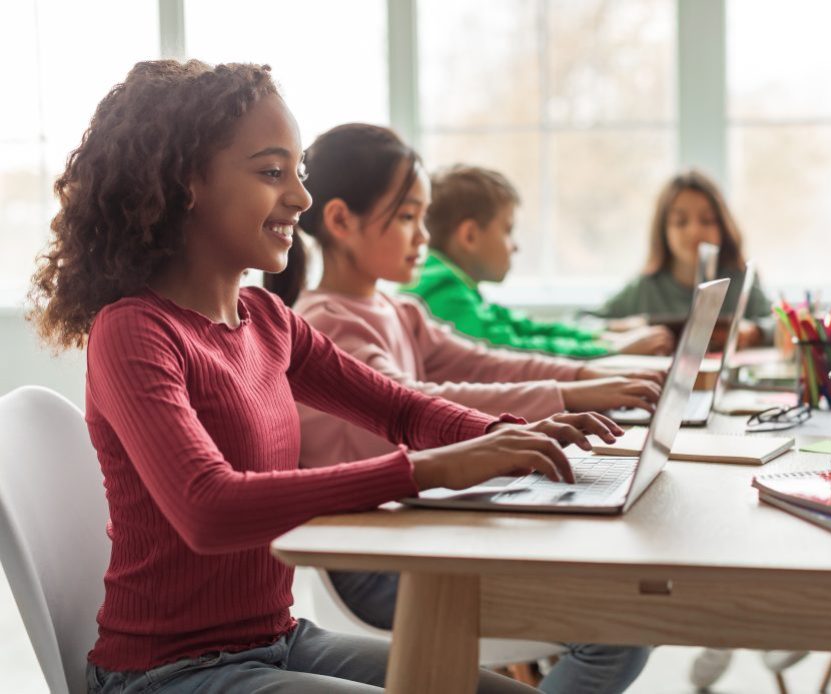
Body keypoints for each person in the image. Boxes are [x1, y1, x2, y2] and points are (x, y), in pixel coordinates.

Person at [30, 58, 618, 694]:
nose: (301, 199)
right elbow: (209, 508)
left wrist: (516, 440)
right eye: (271, 172)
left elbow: (404, 411)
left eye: (299, 173)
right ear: (185, 183)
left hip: (276, 641)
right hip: (163, 674)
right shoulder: (135, 331)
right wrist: (426, 469)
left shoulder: (267, 320)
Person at [262, 122, 655, 694]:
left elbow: (490, 362)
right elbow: (423, 403)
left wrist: (591, 375)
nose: (423, 235)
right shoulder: (326, 322)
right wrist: (567, 396)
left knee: (617, 590)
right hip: (385, 562)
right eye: (406, 217)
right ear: (342, 221)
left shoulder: (399, 310)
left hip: (432, 528)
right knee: (621, 626)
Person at [401, 164, 674, 357]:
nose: (515, 246)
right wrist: (611, 348)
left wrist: (603, 333)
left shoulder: (453, 285)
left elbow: (524, 327)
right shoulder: (441, 293)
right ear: (470, 236)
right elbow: (512, 351)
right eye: (507, 230)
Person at [593, 169, 774, 350]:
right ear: (663, 231)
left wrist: (754, 332)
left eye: (707, 220)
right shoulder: (646, 286)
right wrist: (627, 330)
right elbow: (583, 323)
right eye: (680, 222)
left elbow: (780, 324)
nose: (694, 232)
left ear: (723, 226)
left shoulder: (739, 279)